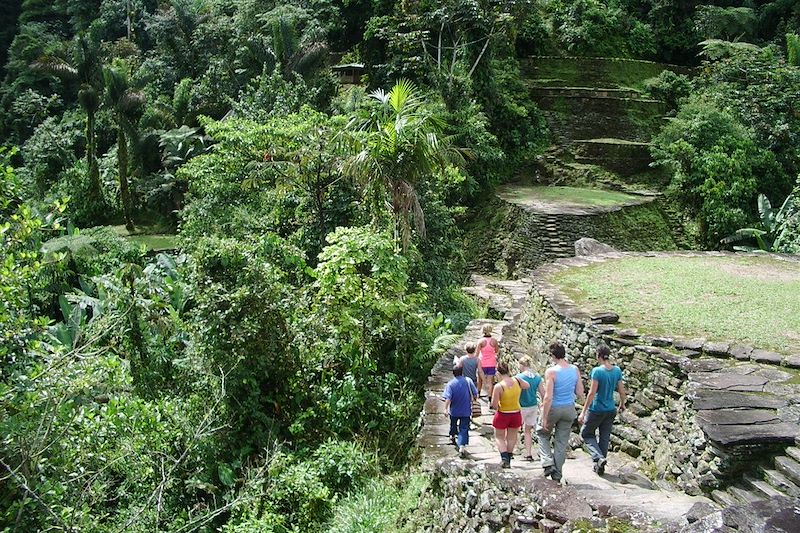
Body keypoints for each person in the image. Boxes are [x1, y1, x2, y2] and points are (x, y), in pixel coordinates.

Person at [538, 341, 585, 482]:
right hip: (569, 408)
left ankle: (547, 463)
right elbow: (580, 392)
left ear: (552, 355)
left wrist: (544, 417)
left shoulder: (551, 372)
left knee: (542, 433)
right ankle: (557, 474)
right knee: (561, 442)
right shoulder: (574, 369)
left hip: (554, 408)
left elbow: (548, 397)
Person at [579, 343, 626, 475]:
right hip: (611, 409)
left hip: (597, 409)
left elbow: (592, 393)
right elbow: (622, 391)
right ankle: (600, 466)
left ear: (598, 355)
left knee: (586, 433)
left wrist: (583, 411)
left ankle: (598, 458)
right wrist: (622, 404)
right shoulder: (617, 370)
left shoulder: (597, 371)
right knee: (604, 437)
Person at [491, 361, 530, 468]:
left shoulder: (499, 386)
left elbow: (494, 405)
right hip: (516, 413)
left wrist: (497, 405)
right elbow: (527, 385)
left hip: (503, 413)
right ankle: (509, 456)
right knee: (512, 437)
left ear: (498, 373)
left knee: (499, 437)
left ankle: (504, 458)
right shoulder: (517, 380)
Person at [443, 364, 478, 458]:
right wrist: (474, 399)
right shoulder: (468, 381)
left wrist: (446, 409)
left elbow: (448, 398)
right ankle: (461, 447)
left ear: (453, 373)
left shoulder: (450, 384)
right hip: (466, 410)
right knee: (464, 428)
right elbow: (475, 393)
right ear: (462, 372)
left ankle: (452, 436)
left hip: (454, 411)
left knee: (453, 424)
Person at [516, 356, 545, 461]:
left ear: (522, 365)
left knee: (515, 429)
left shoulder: (519, 377)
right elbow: (542, 393)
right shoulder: (537, 377)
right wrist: (543, 405)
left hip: (521, 406)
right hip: (533, 406)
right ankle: (528, 453)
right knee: (528, 430)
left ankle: (514, 449)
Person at [476, 324, 500, 398]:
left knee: (480, 379)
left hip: (482, 362)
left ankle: (478, 393)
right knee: (490, 381)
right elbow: (496, 351)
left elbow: (477, 353)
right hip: (491, 363)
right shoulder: (494, 341)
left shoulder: (480, 341)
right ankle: (490, 397)